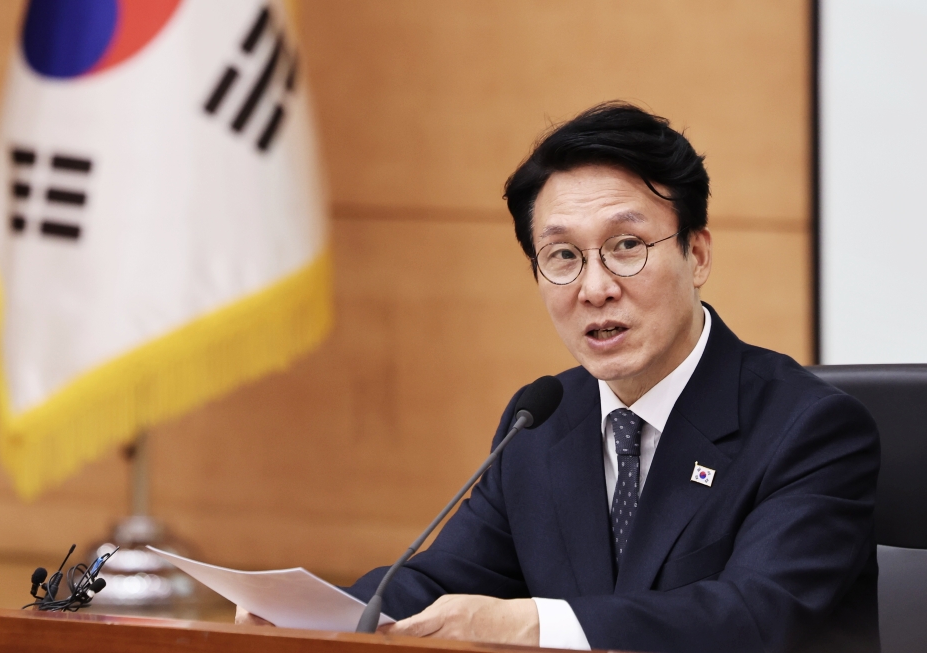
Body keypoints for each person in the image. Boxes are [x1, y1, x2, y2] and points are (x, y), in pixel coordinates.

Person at [238, 102, 880, 653]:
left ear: (698, 253)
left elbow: (753, 618)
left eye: (627, 246)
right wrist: (311, 613)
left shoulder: (809, 429)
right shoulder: (543, 422)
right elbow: (443, 583)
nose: (596, 288)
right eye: (563, 257)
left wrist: (531, 624)